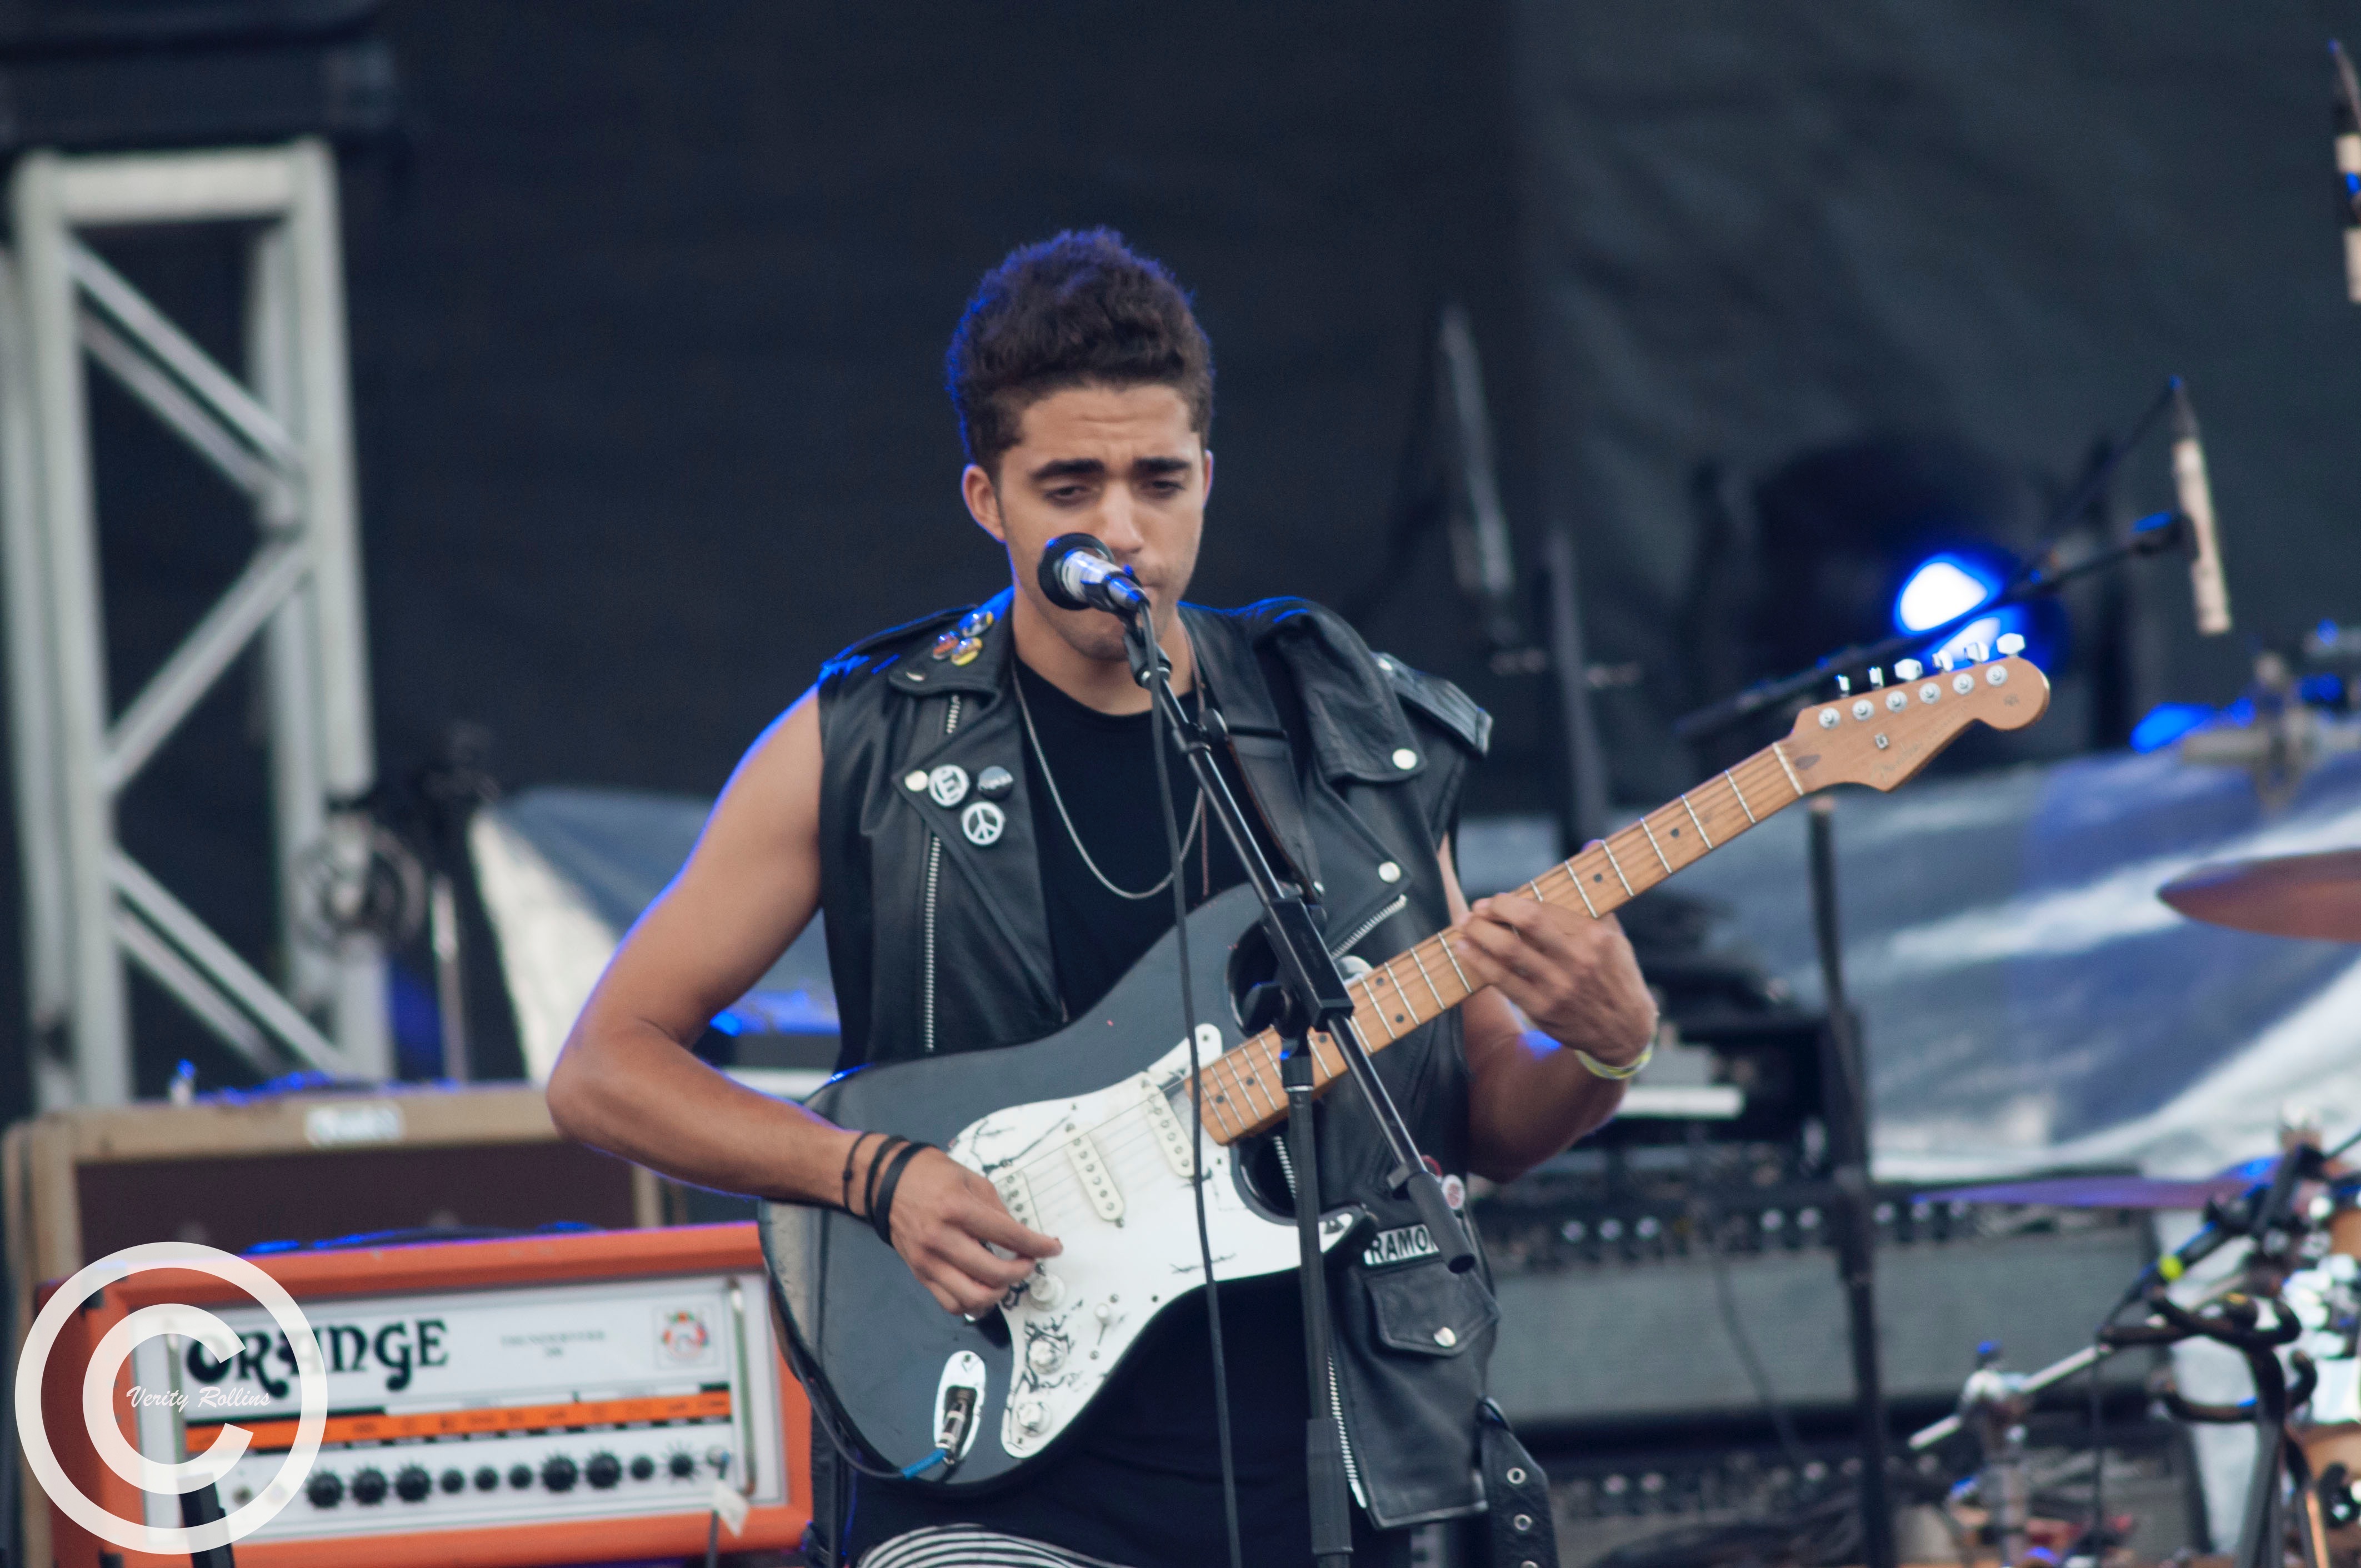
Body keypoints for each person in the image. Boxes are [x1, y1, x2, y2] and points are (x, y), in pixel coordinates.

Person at [547, 229, 1658, 1568]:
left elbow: (1480, 1115)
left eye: (1158, 481)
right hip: (995, 1466)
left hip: (1333, 1462)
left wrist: (1604, 1049)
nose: (1121, 529)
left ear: (1206, 480)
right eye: (1068, 486)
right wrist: (877, 1174)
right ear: (987, 497)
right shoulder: (863, 741)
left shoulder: (1339, 724)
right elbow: (604, 1068)